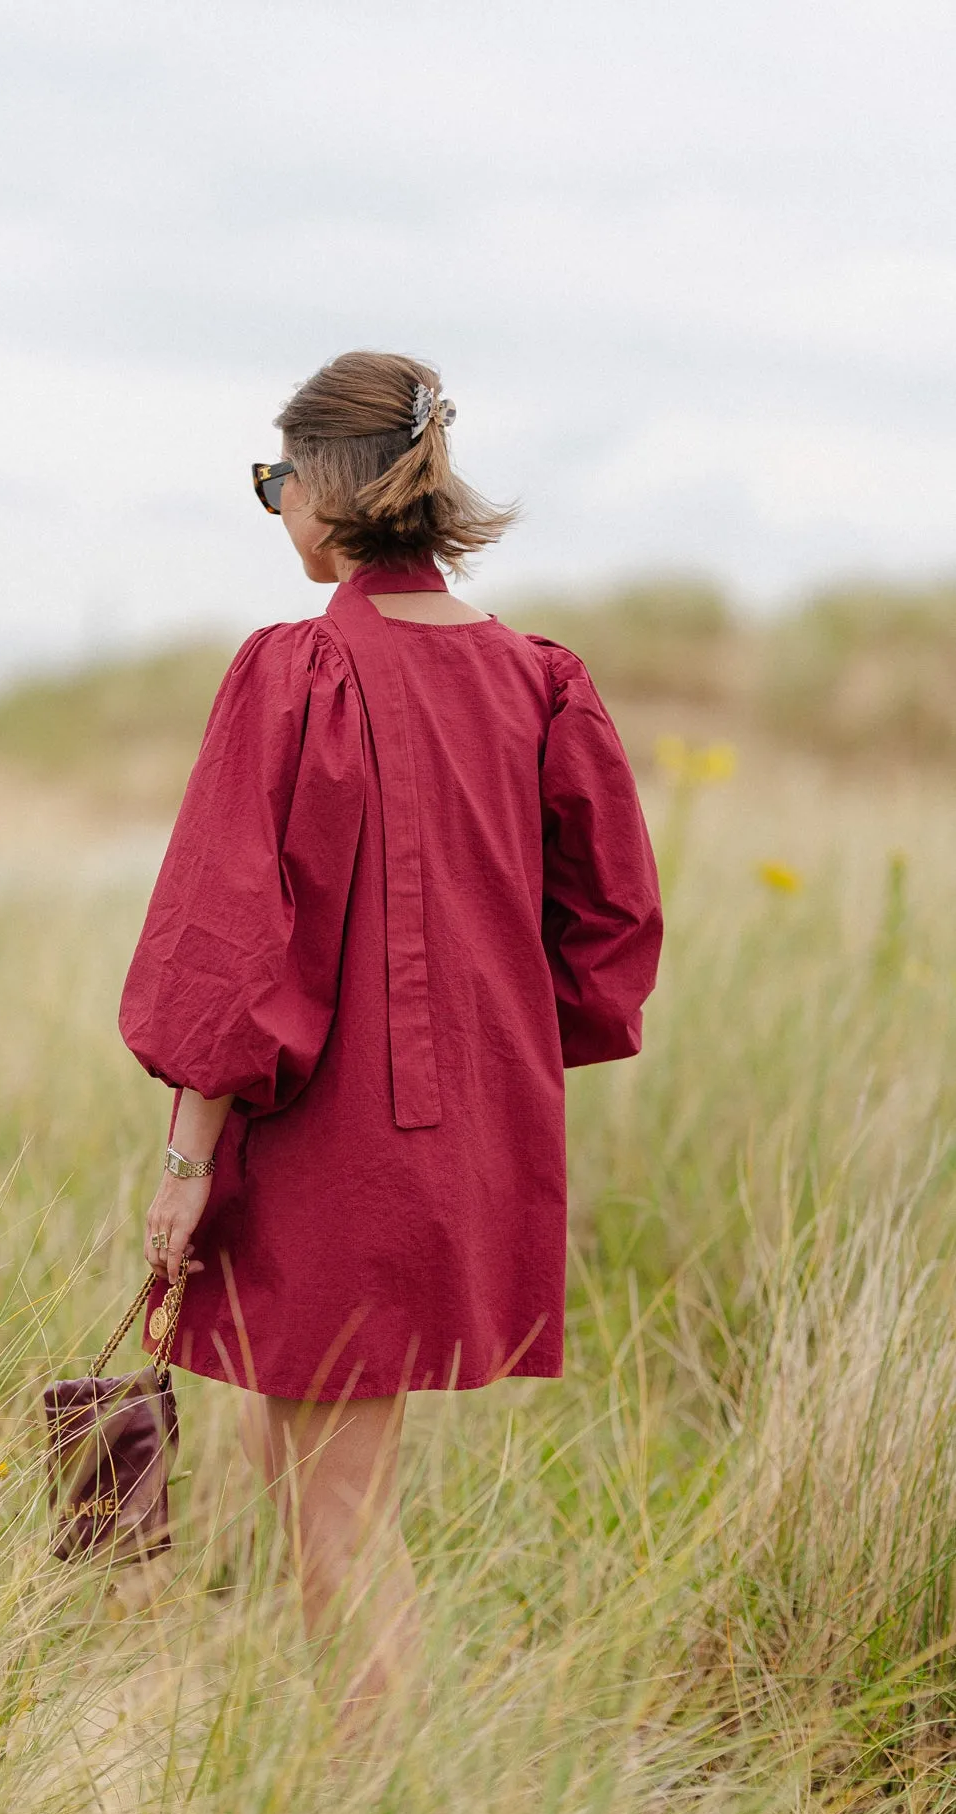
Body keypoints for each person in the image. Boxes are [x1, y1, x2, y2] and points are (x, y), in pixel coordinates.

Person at [118, 350, 662, 1731]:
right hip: (465, 1136)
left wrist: (185, 1160)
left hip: (328, 1146)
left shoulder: (296, 672)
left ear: (329, 491)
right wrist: (503, 1049)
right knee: (296, 1463)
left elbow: (231, 951)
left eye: (272, 484)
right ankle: (341, 1784)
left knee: (339, 1513)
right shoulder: (539, 682)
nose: (274, 510)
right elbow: (609, 923)